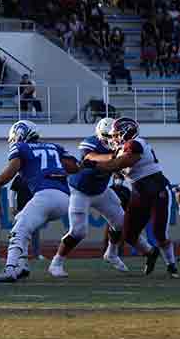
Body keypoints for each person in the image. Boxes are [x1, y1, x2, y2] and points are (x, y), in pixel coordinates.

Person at [0, 120, 80, 283]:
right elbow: (75, 167)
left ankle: (10, 269)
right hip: (65, 198)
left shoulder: (21, 147)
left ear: (20, 134)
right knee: (22, 223)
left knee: (18, 229)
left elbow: (6, 176)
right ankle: (22, 265)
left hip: (45, 195)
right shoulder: (54, 147)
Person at [82, 117, 179, 278]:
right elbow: (111, 161)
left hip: (157, 190)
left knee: (159, 233)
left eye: (117, 134)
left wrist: (94, 164)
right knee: (129, 234)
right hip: (139, 193)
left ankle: (171, 265)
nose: (114, 138)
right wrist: (90, 160)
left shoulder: (135, 143)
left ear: (127, 132)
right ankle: (151, 254)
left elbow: (118, 164)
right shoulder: (121, 149)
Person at [48, 117, 131, 278]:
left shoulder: (121, 145)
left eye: (115, 135)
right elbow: (89, 157)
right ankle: (56, 262)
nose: (114, 139)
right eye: (110, 136)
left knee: (121, 223)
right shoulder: (91, 142)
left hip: (101, 191)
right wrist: (113, 158)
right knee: (78, 231)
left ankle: (112, 253)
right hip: (80, 191)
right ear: (101, 135)